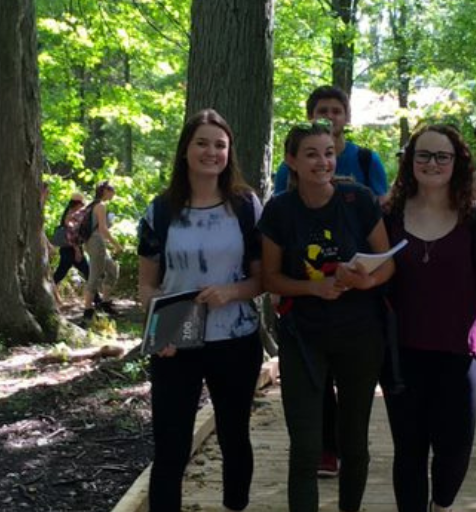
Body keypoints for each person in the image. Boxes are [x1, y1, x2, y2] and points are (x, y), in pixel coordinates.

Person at [259, 121, 395, 512]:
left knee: (353, 443)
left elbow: (387, 265)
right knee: (305, 446)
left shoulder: (359, 199)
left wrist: (366, 281)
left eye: (329, 153)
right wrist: (313, 288)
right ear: (292, 162)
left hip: (359, 335)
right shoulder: (280, 210)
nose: (323, 162)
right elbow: (270, 278)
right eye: (312, 154)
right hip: (303, 336)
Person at [138, 110, 266, 512]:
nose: (211, 152)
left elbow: (262, 280)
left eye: (220, 145)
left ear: (229, 152)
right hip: (176, 343)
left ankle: (235, 505)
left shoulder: (246, 206)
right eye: (202, 143)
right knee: (171, 446)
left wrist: (232, 291)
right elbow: (146, 286)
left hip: (236, 340)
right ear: (185, 150)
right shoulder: (160, 210)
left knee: (234, 437)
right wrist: (163, 334)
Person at [382, 125, 476, 512]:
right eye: (423, 155)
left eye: (442, 156)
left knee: (453, 450)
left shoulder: (475, 220)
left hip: (459, 353)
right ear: (410, 162)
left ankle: (441, 505)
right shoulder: (387, 216)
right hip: (401, 353)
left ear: (457, 163)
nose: (432, 163)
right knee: (409, 450)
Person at [81, 181, 121, 320]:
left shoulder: (92, 205)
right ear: (105, 191)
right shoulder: (101, 206)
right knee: (95, 275)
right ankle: (87, 310)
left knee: (112, 270)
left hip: (93, 243)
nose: (113, 194)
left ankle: (105, 303)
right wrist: (116, 245)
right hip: (96, 242)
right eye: (112, 191)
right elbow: (103, 230)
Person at [51, 194, 90, 305]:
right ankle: (97, 300)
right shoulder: (71, 215)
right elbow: (71, 235)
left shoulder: (69, 213)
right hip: (71, 249)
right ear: (77, 204)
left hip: (68, 249)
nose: (83, 206)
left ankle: (96, 299)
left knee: (60, 274)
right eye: (82, 204)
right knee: (88, 272)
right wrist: (77, 250)